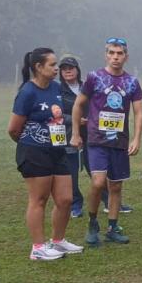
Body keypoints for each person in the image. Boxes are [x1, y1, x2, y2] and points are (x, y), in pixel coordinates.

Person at [8, 48, 83, 260]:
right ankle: (38, 248)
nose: (56, 68)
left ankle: (58, 242)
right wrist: (31, 142)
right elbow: (13, 129)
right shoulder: (27, 92)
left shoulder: (57, 87)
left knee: (66, 199)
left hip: (57, 151)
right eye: (52, 64)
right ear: (38, 67)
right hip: (34, 152)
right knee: (39, 199)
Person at [71, 37, 142, 246]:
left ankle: (112, 227)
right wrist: (76, 133)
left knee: (116, 186)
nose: (115, 57)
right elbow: (78, 105)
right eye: (111, 53)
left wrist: (137, 138)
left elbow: (139, 112)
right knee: (98, 182)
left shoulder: (132, 82)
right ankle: (93, 223)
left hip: (119, 142)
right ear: (106, 55)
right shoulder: (94, 77)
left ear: (126, 57)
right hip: (96, 140)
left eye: (119, 53)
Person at [59, 56, 86, 218]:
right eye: (64, 68)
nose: (67, 70)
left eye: (70, 67)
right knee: (71, 174)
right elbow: (56, 113)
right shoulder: (57, 91)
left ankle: (109, 201)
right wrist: (75, 120)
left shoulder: (86, 87)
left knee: (97, 171)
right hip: (69, 136)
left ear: (77, 69)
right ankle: (76, 205)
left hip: (91, 135)